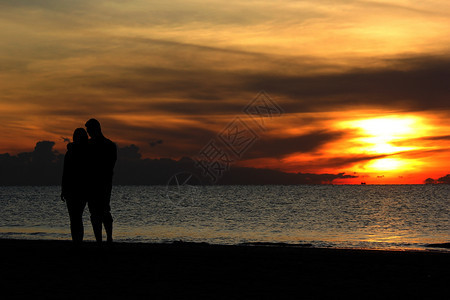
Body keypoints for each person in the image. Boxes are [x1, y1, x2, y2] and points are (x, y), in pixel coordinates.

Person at [85, 118, 117, 244]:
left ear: (95, 129)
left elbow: (110, 166)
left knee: (101, 211)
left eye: (90, 130)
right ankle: (103, 239)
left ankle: (106, 238)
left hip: (102, 183)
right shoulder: (107, 145)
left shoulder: (106, 145)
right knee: (98, 212)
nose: (89, 133)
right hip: (97, 183)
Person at [61, 128, 89, 244]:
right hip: (76, 189)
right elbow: (66, 172)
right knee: (76, 217)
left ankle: (77, 241)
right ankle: (77, 241)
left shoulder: (73, 152)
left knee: (75, 217)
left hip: (76, 189)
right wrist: (63, 189)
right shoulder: (85, 152)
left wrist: (63, 189)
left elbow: (65, 173)